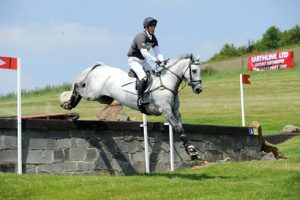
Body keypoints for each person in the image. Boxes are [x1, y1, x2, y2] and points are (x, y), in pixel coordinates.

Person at [127, 17, 165, 109]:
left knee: (155, 75)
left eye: (154, 26)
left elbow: (157, 51)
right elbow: (144, 52)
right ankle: (140, 99)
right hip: (134, 60)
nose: (153, 28)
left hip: (143, 61)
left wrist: (162, 61)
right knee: (143, 78)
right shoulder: (141, 36)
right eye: (151, 26)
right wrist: (155, 60)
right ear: (146, 27)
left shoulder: (153, 38)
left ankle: (150, 96)